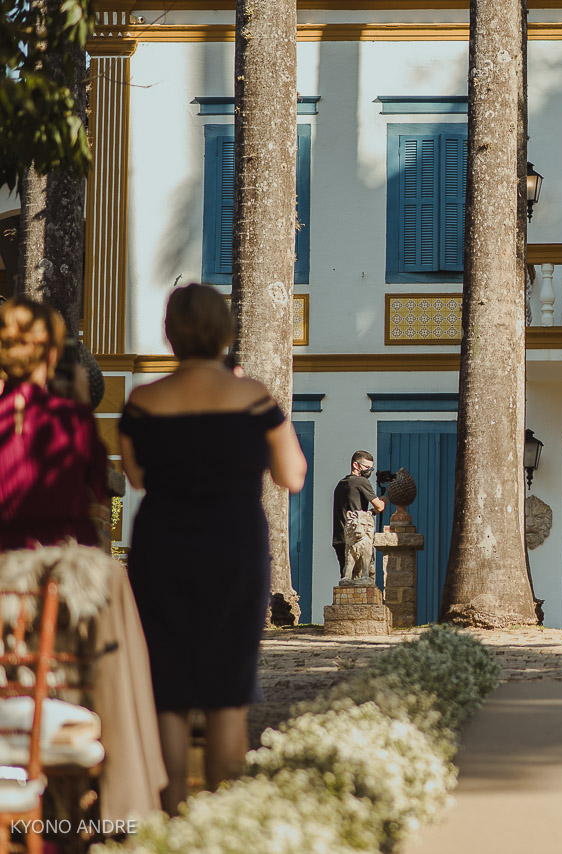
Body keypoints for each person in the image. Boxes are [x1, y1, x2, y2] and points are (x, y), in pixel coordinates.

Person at [119, 283, 307, 814]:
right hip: (234, 546)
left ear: (170, 335)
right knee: (228, 692)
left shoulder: (143, 402)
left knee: (167, 691)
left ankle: (170, 813)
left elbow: (134, 475)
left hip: (162, 546)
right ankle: (223, 821)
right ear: (224, 334)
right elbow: (291, 475)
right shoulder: (256, 401)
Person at [1, 298, 168, 820]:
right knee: (119, 654)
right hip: (69, 586)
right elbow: (98, 493)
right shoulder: (71, 420)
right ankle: (122, 794)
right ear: (51, 356)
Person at [0, 298, 107, 550]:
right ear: (51, 354)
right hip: (60, 564)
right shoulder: (72, 419)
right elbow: (98, 485)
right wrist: (82, 405)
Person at [332, 451, 386, 572]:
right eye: (366, 467)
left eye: (370, 468)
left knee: (346, 576)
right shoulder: (361, 481)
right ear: (356, 465)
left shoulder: (340, 484)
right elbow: (379, 506)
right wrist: (384, 499)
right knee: (361, 577)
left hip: (340, 538)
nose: (368, 471)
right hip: (357, 538)